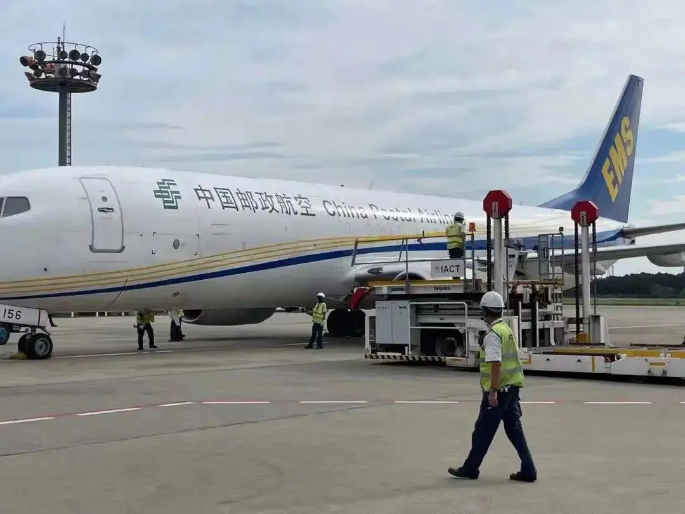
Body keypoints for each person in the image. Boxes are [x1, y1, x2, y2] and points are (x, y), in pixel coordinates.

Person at [448, 290, 537, 483]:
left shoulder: (493, 334)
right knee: (515, 431)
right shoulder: (506, 329)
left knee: (483, 430)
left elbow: (495, 363)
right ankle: (529, 469)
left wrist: (493, 391)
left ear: (485, 312)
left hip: (500, 391)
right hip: (512, 388)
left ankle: (470, 468)